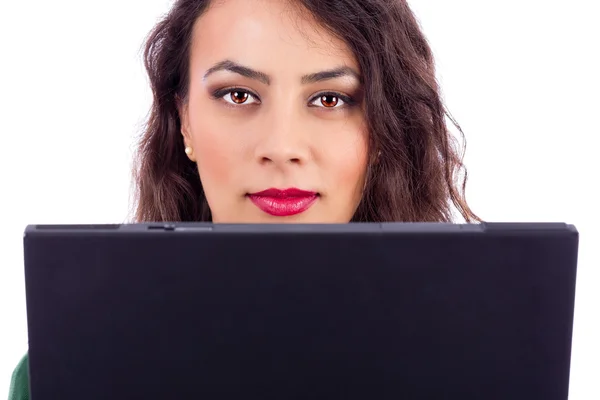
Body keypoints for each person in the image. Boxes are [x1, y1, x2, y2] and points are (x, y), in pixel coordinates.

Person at [8, 0, 479, 397]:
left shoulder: (476, 362)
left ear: (381, 131)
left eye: (330, 99)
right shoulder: (64, 370)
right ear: (185, 121)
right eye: (238, 95)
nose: (281, 147)